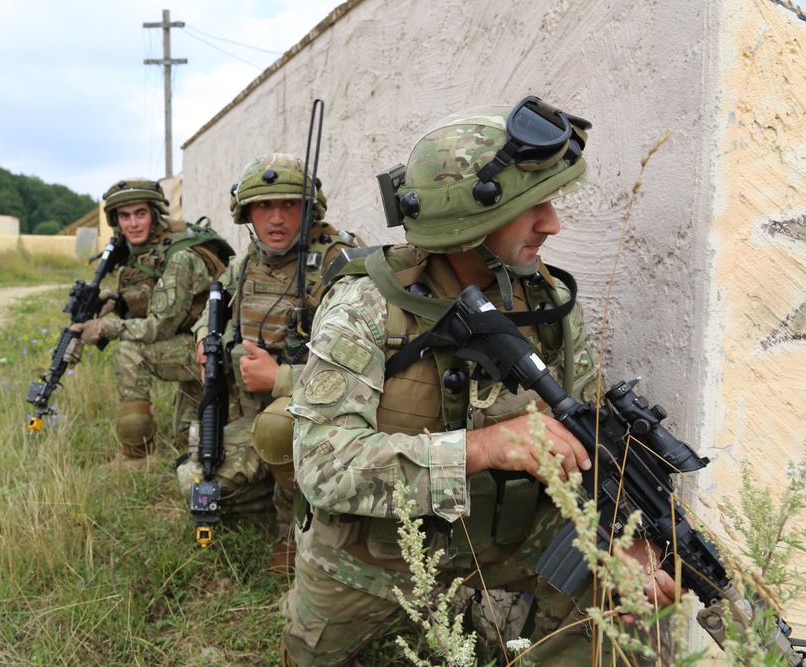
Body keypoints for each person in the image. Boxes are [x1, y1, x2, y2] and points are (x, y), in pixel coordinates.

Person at [279, 99, 681, 665]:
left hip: (502, 542)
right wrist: (486, 446)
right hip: (373, 561)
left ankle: (498, 618)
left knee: (633, 601)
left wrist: (628, 537)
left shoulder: (546, 302)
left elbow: (591, 446)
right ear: (467, 218)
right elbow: (322, 466)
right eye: (531, 205)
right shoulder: (365, 305)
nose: (552, 222)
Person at [176, 153, 359, 574]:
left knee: (280, 426)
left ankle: (298, 529)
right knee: (196, 484)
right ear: (247, 214)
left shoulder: (341, 266)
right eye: (264, 206)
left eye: (289, 205)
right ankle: (274, 488)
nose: (276, 219)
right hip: (253, 417)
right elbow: (215, 308)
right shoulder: (248, 263)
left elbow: (363, 367)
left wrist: (281, 378)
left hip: (322, 420)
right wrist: (206, 339)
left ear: (310, 209)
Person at [69, 178, 232, 466]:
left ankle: (137, 457)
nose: (132, 223)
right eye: (124, 216)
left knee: (131, 351)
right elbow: (161, 297)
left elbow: (160, 327)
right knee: (185, 436)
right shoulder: (148, 250)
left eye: (140, 214)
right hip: (196, 342)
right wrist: (119, 301)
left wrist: (106, 327)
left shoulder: (180, 255)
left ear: (155, 215)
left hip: (219, 352)